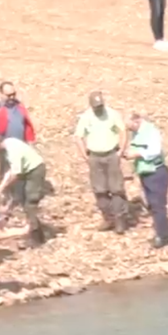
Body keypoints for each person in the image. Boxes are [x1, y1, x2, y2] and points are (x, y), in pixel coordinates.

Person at [74, 91, 129, 233]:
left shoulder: (112, 114)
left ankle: (119, 220)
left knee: (116, 189)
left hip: (111, 154)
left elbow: (122, 131)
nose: (99, 109)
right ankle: (108, 218)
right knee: (100, 190)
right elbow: (78, 136)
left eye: (100, 106)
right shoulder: (86, 117)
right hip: (95, 156)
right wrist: (85, 155)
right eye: (96, 107)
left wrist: (120, 151)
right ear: (91, 106)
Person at [123, 112, 168, 248]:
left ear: (136, 121)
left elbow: (155, 150)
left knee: (158, 205)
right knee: (151, 204)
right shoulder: (137, 132)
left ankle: (163, 236)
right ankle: (161, 230)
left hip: (156, 172)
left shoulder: (151, 131)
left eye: (130, 127)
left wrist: (136, 154)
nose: (129, 130)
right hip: (145, 172)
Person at [0, 81, 36, 204]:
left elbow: (26, 124)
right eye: (8, 95)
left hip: (21, 146)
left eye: (13, 94)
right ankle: (4, 197)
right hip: (4, 148)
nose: (12, 98)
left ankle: (18, 198)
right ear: (1, 94)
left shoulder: (19, 107)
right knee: (5, 172)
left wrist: (30, 142)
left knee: (20, 172)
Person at [0, 137, 47, 246]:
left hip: (35, 170)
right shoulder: (8, 144)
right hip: (27, 171)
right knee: (21, 199)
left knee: (30, 203)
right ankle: (37, 232)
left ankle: (36, 237)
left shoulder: (12, 150)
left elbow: (15, 173)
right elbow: (10, 170)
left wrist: (5, 186)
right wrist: (1, 187)